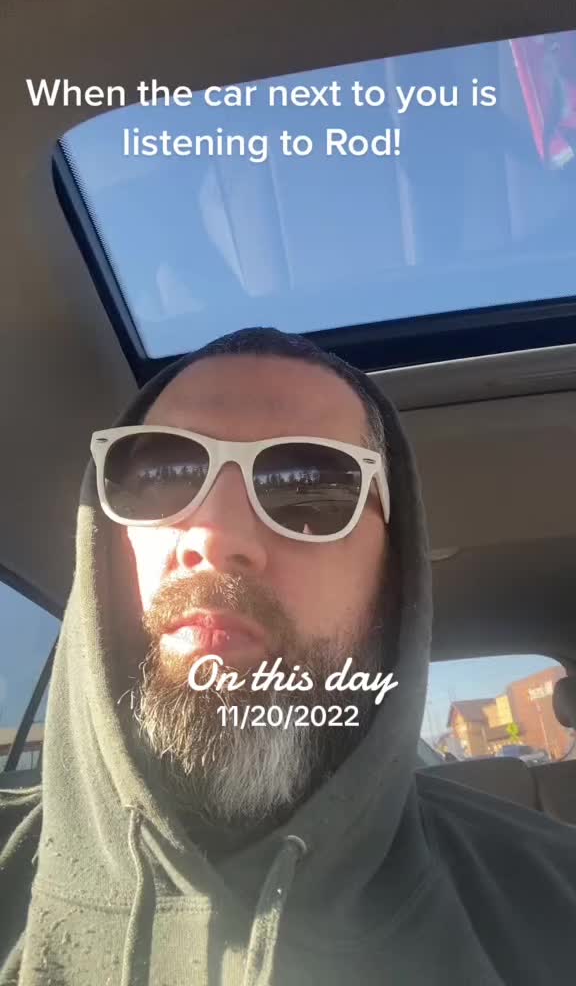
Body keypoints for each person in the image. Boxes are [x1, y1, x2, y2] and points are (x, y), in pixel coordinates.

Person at [1, 326, 575, 986]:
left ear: (394, 580)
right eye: (162, 475)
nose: (216, 537)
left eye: (310, 489)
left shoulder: (555, 905)